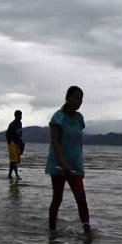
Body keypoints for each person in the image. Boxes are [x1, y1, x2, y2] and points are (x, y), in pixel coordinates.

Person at [45, 86, 92, 233]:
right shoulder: (58, 117)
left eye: (81, 99)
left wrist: (80, 165)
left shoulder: (79, 118)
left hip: (75, 166)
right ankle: (52, 231)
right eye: (76, 98)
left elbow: (78, 143)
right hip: (58, 166)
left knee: (81, 198)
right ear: (68, 98)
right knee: (57, 199)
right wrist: (62, 162)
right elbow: (55, 141)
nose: (79, 101)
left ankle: (87, 231)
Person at [6, 110, 24, 180]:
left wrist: (21, 143)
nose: (20, 117)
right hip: (13, 144)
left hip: (18, 144)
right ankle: (17, 175)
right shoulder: (12, 124)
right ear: (15, 116)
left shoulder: (20, 123)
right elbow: (7, 134)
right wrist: (9, 142)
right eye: (19, 115)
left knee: (13, 161)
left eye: (21, 115)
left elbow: (19, 134)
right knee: (14, 161)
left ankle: (9, 175)